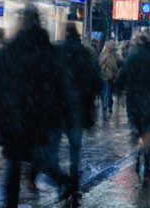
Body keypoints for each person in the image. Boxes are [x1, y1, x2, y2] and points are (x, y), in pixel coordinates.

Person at [0, 7, 75, 208]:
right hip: (37, 117)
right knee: (37, 158)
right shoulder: (47, 52)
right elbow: (60, 86)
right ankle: (64, 181)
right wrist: (61, 113)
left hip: (14, 116)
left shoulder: (11, 50)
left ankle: (10, 207)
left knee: (15, 161)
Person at [38, 23, 103, 192]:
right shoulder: (85, 53)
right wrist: (90, 99)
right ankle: (73, 176)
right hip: (77, 106)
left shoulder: (56, 50)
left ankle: (60, 177)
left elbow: (45, 76)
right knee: (75, 146)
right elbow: (95, 80)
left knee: (52, 147)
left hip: (57, 106)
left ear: (65, 33)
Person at [115, 31, 150, 179]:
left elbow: (122, 75)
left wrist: (118, 89)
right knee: (149, 128)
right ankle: (146, 158)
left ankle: (138, 152)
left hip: (134, 98)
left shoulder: (133, 57)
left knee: (137, 126)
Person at [98, 41, 121, 120]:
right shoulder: (110, 56)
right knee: (107, 93)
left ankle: (106, 106)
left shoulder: (110, 55)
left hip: (108, 77)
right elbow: (114, 66)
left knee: (107, 93)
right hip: (107, 77)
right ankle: (107, 107)